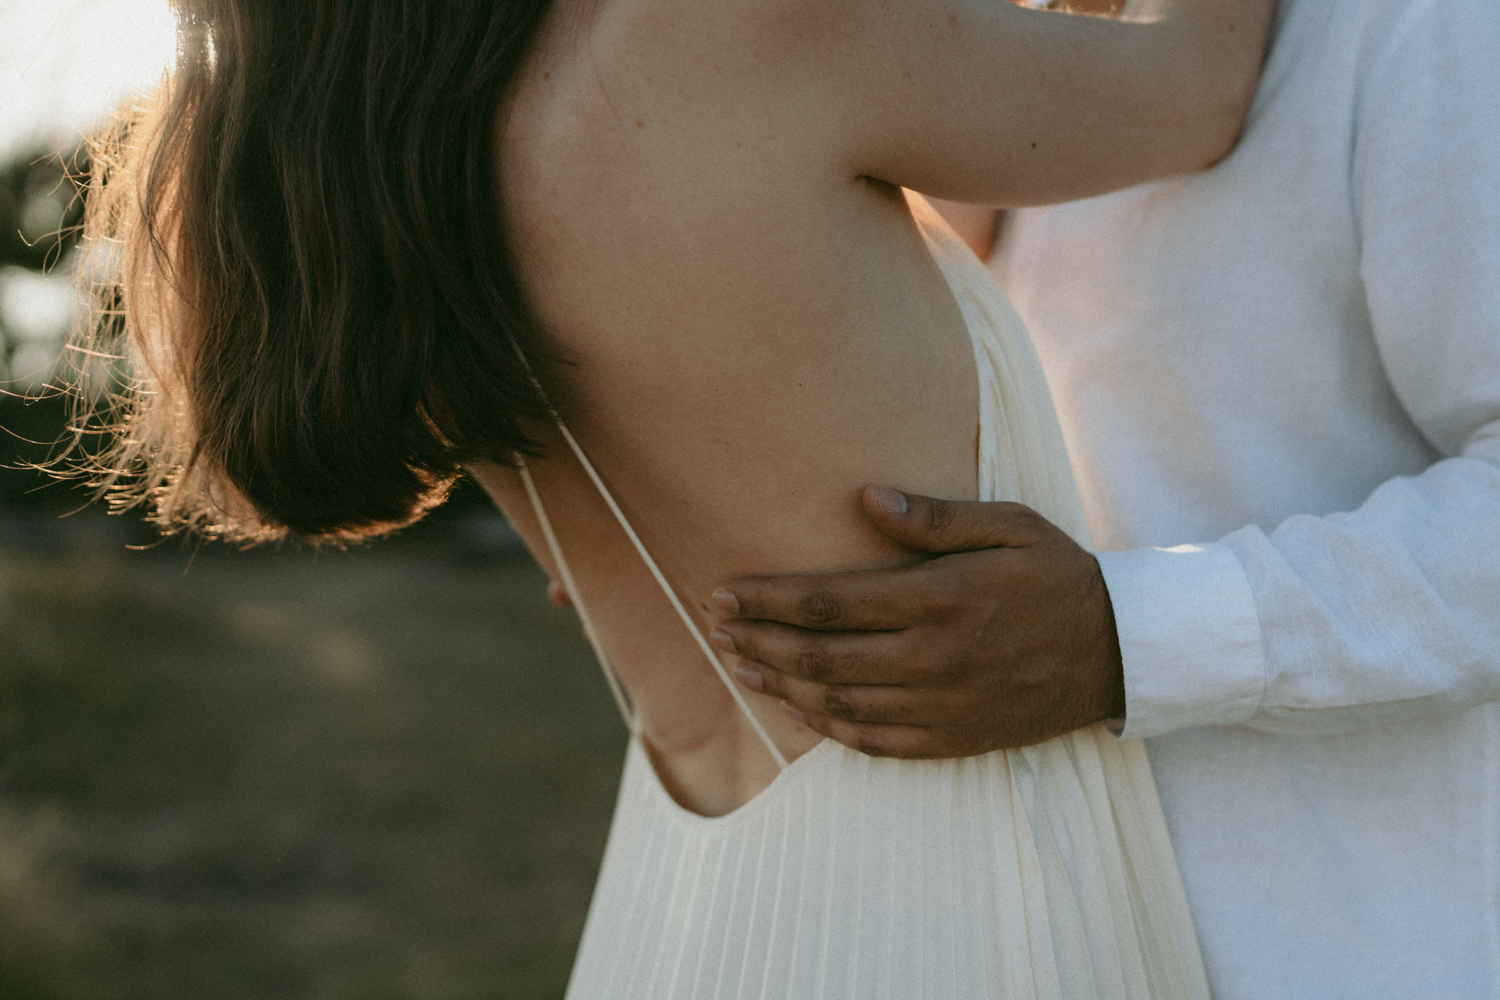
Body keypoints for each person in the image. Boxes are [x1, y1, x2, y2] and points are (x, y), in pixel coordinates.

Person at [75, 0, 1274, 994]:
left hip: (684, 911)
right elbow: (1198, 88)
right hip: (959, 887)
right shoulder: (714, 31)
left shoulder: (369, 170)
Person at [709, 0, 1500, 996]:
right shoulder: (1003, 49)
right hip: (1036, 931)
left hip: (1340, 942)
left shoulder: (1431, 29)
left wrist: (1121, 637)